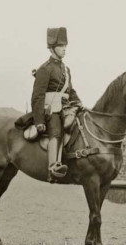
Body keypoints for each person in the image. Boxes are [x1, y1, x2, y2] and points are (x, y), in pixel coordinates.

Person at [31, 27, 82, 183]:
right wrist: (39, 121)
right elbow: (37, 97)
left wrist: (78, 102)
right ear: (52, 49)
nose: (64, 49)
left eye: (65, 46)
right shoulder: (44, 69)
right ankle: (53, 168)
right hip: (51, 110)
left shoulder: (66, 70)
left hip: (66, 108)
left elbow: (70, 90)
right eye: (61, 46)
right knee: (56, 131)